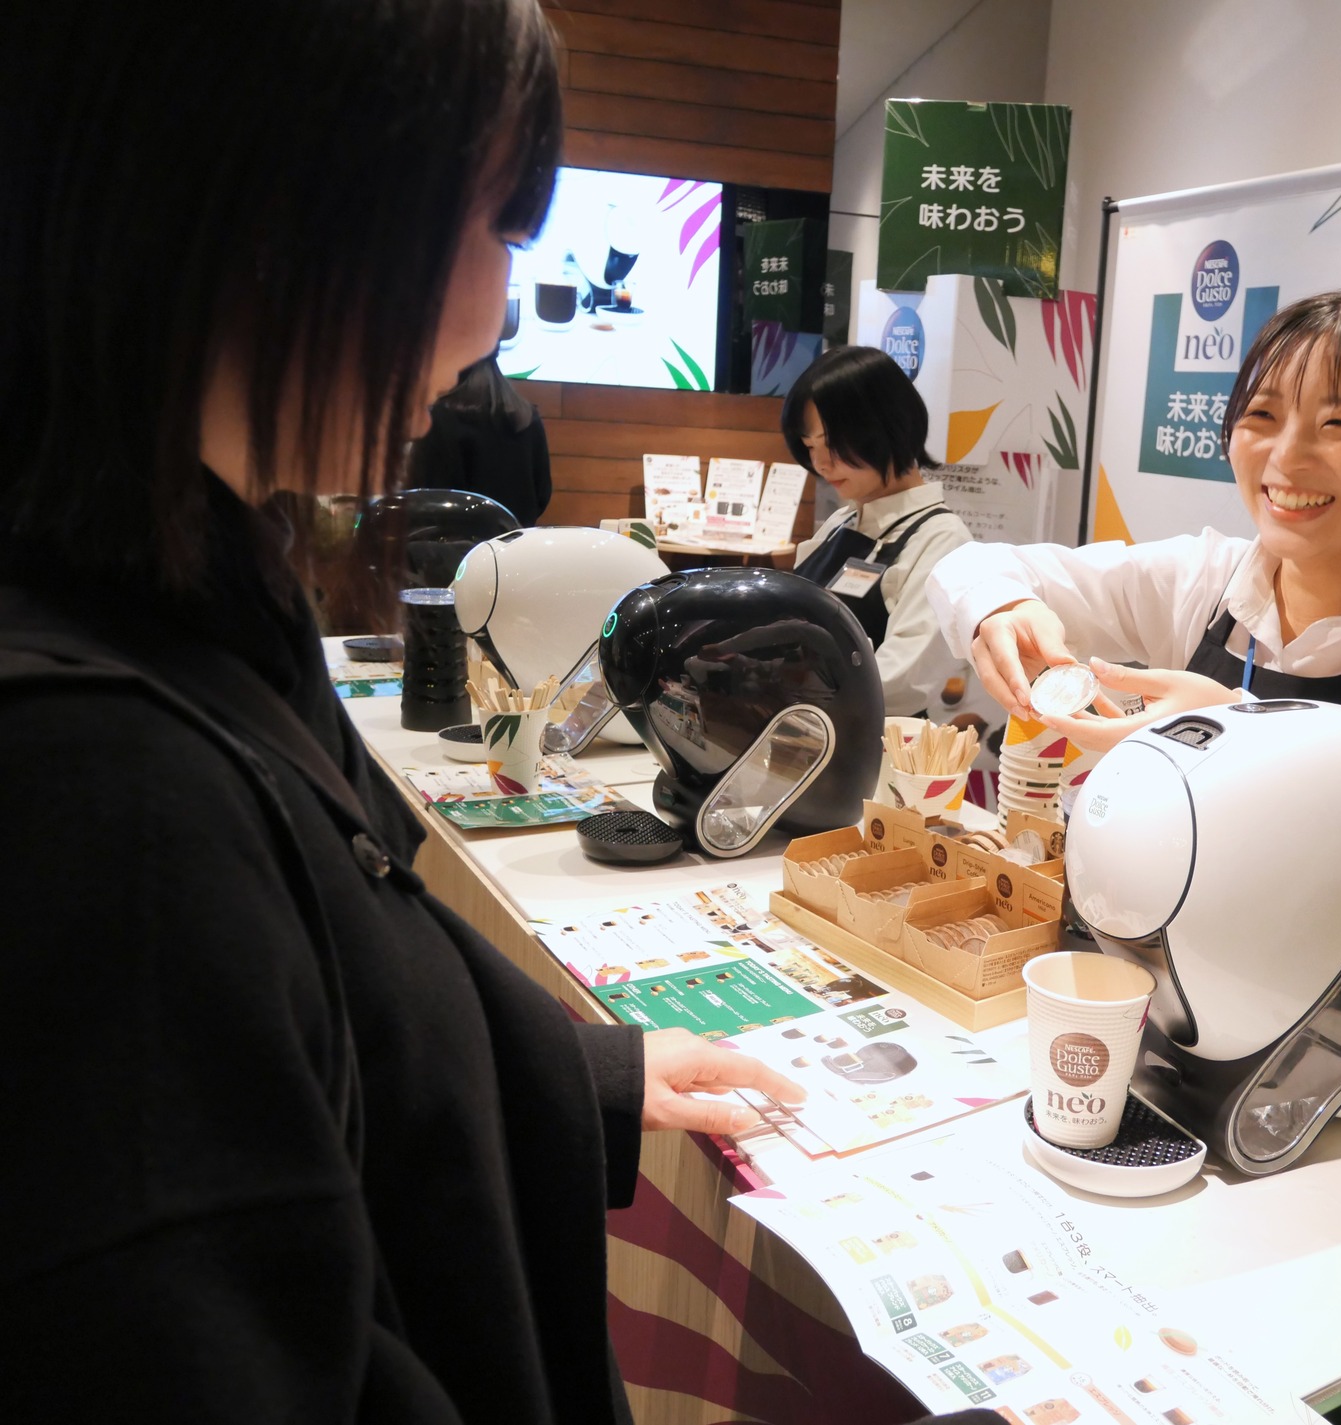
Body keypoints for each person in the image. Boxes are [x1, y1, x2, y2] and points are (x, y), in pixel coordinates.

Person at [0, 4, 995, 1422]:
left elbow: (362, 967)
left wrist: (594, 1069)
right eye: (490, 229)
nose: (492, 323)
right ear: (265, 203)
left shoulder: (200, 589)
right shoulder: (95, 790)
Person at [928, 291, 1341, 889]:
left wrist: (1230, 728)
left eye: (1339, 424)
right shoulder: (1206, 580)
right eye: (1263, 416)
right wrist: (1004, 607)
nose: (1287, 457)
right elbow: (971, 567)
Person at [784, 346, 974, 717]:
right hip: (802, 731)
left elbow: (903, 680)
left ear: (887, 426)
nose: (821, 463)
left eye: (833, 443)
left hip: (872, 751)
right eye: (810, 446)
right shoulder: (842, 522)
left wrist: (784, 690)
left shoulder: (943, 541)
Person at [406, 353, 554, 526]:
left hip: (452, 546)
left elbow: (424, 494)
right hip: (514, 543)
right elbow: (542, 494)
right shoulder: (528, 416)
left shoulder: (439, 418)